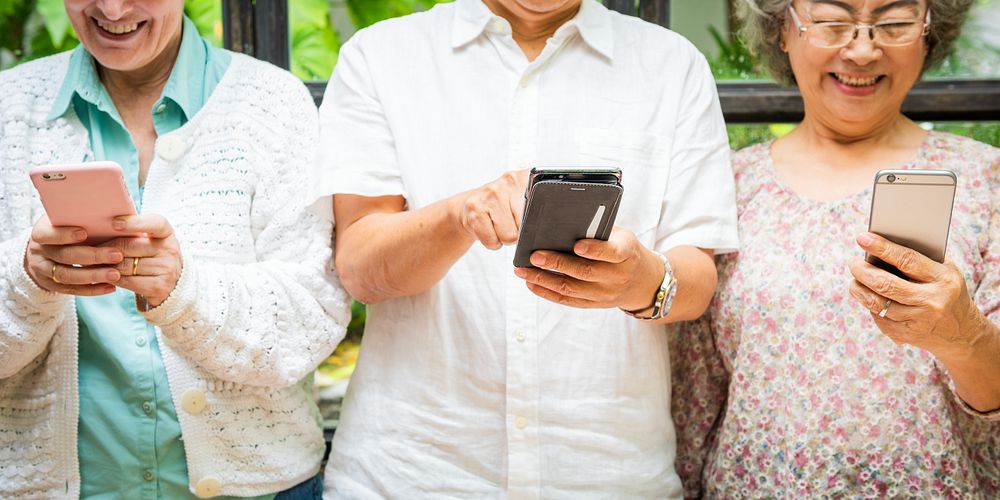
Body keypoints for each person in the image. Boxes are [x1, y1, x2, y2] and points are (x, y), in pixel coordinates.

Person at [311, 0, 740, 496]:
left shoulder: (672, 65)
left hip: (605, 475)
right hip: (411, 474)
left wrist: (642, 279)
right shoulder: (381, 56)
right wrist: (458, 218)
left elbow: (697, 281)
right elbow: (361, 268)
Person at [0, 1, 349, 498]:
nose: (112, 8)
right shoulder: (8, 106)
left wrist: (184, 291)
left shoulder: (273, 101)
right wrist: (26, 279)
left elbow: (311, 319)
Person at [670, 0, 1000, 497]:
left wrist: (963, 337)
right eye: (832, 22)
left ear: (928, 32)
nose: (864, 51)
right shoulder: (730, 186)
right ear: (783, 29)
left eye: (893, 23)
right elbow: (695, 396)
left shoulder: (986, 178)